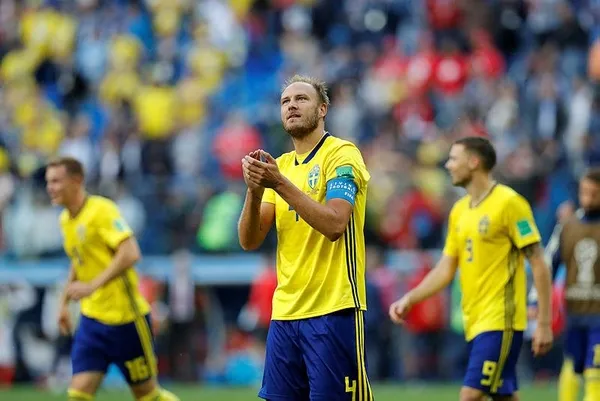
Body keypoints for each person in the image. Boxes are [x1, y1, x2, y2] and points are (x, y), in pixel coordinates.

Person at [238, 74, 373, 400]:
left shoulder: (342, 154)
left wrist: (278, 184)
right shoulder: (281, 166)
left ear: (322, 109)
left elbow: (335, 224)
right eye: (285, 101)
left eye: (301, 99)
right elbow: (249, 241)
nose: (291, 106)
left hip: (333, 309)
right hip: (285, 314)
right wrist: (254, 191)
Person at [388, 137, 553, 401]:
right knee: (503, 395)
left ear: (474, 162)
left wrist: (544, 323)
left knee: (470, 395)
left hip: (501, 319)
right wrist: (411, 298)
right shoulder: (459, 211)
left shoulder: (510, 203)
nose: (448, 165)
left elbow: (538, 262)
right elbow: (445, 268)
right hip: (474, 320)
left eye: (454, 158)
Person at [45, 157, 178, 401]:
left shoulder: (101, 210)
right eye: (48, 182)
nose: (50, 188)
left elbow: (131, 252)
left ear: (76, 181)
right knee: (78, 393)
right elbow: (78, 260)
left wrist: (91, 286)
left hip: (125, 319)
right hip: (92, 320)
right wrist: (64, 303)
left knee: (147, 395)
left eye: (56, 181)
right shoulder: (65, 220)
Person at [538, 169, 600, 401]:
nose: (588, 198)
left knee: (595, 371)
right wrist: (536, 301)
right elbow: (547, 266)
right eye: (584, 192)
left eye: (594, 193)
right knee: (572, 366)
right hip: (574, 311)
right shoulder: (567, 226)